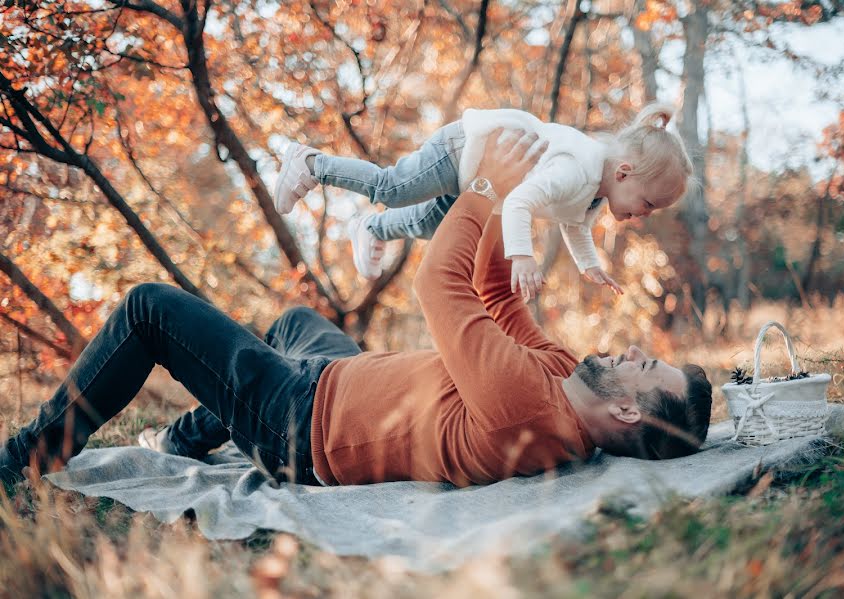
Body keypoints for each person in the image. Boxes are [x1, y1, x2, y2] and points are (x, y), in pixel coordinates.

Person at [0, 130, 711, 489]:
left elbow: (442, 286)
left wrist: (489, 182)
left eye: (643, 366)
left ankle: (26, 457)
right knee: (291, 325)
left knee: (149, 308)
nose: (628, 351)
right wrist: (522, 208)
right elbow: (496, 296)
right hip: (345, 379)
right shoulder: (565, 372)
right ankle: (186, 438)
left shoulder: (531, 407)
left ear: (626, 412)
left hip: (298, 425)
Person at [274, 104, 693, 301]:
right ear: (623, 173)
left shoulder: (594, 196)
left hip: (478, 182)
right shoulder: (578, 168)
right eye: (648, 204)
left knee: (427, 225)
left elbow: (574, 225)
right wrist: (522, 256)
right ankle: (311, 163)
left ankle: (372, 227)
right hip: (463, 151)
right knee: (393, 187)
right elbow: (520, 205)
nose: (644, 216)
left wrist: (590, 267)